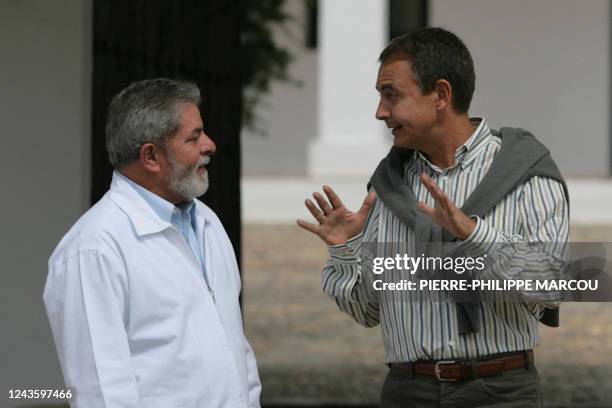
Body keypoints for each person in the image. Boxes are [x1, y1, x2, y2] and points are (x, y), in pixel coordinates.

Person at [298, 28, 568, 407]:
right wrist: (345, 250)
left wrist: (474, 234)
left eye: (391, 95)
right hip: (409, 391)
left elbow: (553, 285)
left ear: (440, 94)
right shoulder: (389, 188)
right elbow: (369, 311)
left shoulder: (526, 173)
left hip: (501, 393)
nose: (380, 112)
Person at [44, 78, 261, 408]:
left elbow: (233, 346)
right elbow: (101, 392)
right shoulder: (93, 249)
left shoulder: (207, 222)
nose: (210, 145)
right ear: (151, 157)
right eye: (194, 137)